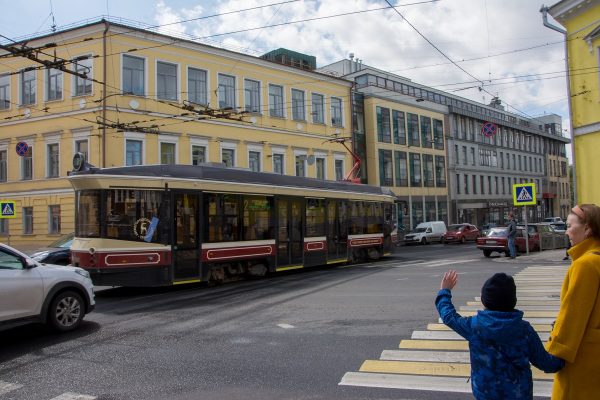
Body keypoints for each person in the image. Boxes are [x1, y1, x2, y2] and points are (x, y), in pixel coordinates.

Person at [436, 270, 564, 400]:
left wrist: (445, 291)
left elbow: (448, 316)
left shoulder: (475, 326)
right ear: (513, 300)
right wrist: (562, 351)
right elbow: (546, 363)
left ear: (484, 300)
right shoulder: (524, 330)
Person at [547, 204, 600, 399]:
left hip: (583, 359)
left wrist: (555, 352)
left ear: (587, 228)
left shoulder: (585, 264)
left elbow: (573, 315)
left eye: (570, 225)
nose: (566, 232)